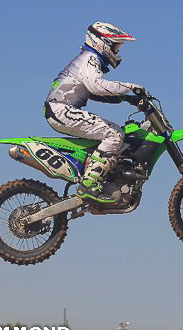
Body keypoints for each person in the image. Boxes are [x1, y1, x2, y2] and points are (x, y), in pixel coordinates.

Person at [44, 21, 143, 203]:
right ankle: (89, 184)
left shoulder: (88, 59)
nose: (117, 52)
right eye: (115, 47)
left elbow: (94, 93)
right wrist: (130, 87)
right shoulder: (90, 58)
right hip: (61, 110)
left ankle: (102, 175)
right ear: (102, 43)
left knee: (114, 133)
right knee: (114, 134)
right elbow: (97, 86)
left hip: (60, 109)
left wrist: (127, 98)